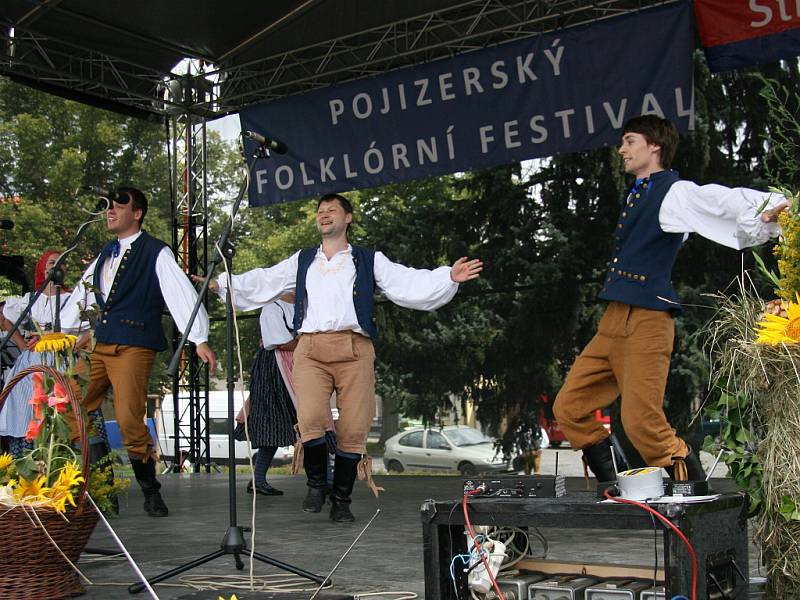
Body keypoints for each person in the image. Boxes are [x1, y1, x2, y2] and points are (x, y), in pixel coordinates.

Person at [204, 192, 482, 522]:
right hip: (310, 349)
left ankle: (342, 499)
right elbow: (266, 278)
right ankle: (317, 484)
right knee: (309, 418)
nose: (324, 214)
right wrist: (222, 284)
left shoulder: (367, 259)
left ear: (347, 218)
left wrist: (446, 276)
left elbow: (405, 281)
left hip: (354, 350)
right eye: (320, 211)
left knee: (353, 429)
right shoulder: (303, 259)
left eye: (331, 210)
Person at [553, 115, 787, 483]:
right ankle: (614, 482)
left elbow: (721, 201)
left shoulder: (674, 193)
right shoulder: (639, 193)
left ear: (654, 146)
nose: (622, 149)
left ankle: (690, 492)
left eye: (630, 141)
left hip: (648, 320)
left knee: (641, 422)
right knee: (569, 406)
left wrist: (771, 206)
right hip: (613, 319)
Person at [61, 186, 217, 517]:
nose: (110, 211)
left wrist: (199, 338)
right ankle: (103, 481)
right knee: (71, 406)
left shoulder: (155, 252)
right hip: (98, 342)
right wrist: (64, 332)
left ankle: (150, 491)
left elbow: (180, 293)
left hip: (133, 343)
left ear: (138, 213)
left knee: (130, 419)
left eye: (120, 205)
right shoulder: (106, 252)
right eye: (108, 207)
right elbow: (83, 296)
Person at [0, 251, 76, 457]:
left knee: (60, 409)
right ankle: (25, 459)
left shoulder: (72, 299)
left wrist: (66, 343)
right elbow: (5, 318)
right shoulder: (31, 299)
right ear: (43, 268)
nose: (57, 266)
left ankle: (58, 457)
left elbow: (86, 331)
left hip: (60, 358)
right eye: (52, 262)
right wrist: (22, 344)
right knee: (25, 406)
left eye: (61, 263)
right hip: (32, 360)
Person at [239, 294, 299, 496]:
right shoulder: (272, 308)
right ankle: (258, 480)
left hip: (299, 366)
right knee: (271, 425)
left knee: (315, 421)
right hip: (273, 371)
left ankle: (324, 480)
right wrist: (306, 342)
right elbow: (280, 342)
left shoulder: (306, 304)